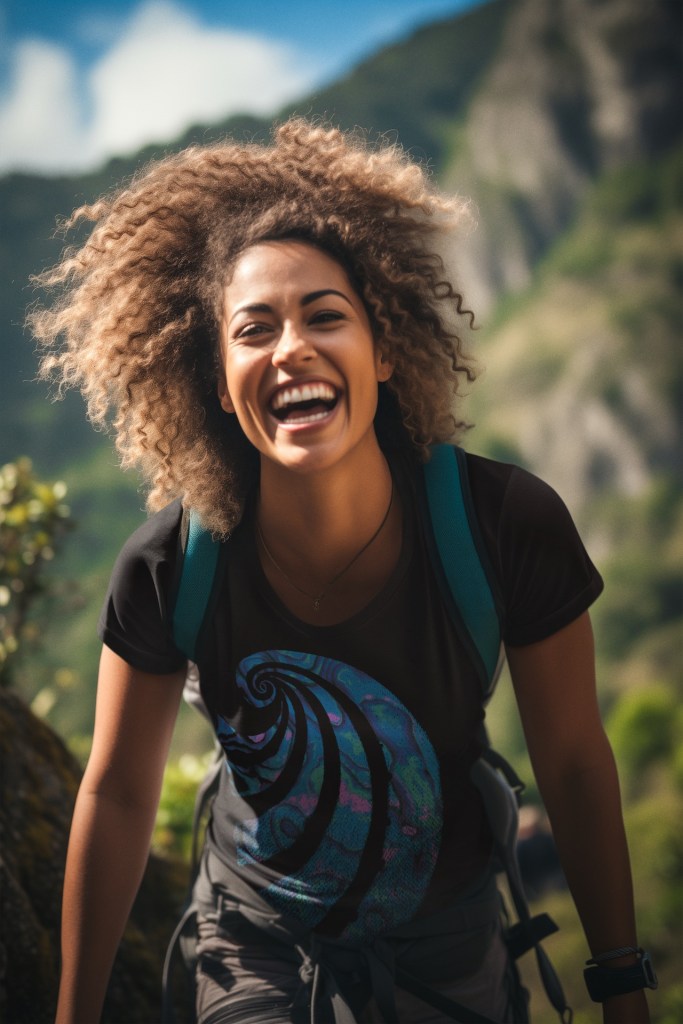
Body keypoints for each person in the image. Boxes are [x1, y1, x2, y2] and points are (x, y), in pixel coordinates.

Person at [30, 119, 652, 1024]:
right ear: (215, 374)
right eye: (254, 330)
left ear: (385, 348)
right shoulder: (172, 567)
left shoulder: (500, 526)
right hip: (256, 958)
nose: (291, 349)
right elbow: (119, 792)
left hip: (451, 955)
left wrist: (622, 989)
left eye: (325, 316)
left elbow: (572, 761)